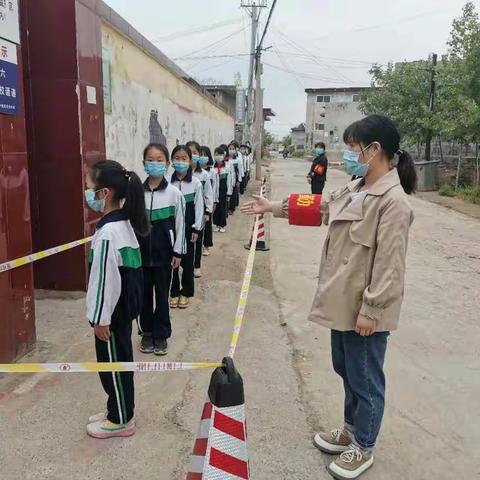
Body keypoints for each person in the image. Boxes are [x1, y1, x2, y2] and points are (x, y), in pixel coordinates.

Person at [241, 115, 416, 479]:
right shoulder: (357, 187)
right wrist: (272, 207)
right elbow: (319, 207)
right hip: (342, 302)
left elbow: (389, 265)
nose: (350, 154)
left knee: (366, 378)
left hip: (364, 309)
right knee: (347, 370)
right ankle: (351, 429)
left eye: (354, 148)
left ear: (374, 150)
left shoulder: (393, 202)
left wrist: (372, 308)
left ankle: (363, 446)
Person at [84, 160, 150, 439]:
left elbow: (104, 282)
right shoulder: (122, 223)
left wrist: (100, 318)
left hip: (111, 316)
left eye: (89, 187)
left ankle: (121, 419)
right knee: (119, 362)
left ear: (105, 193)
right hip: (122, 312)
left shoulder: (109, 233)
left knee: (112, 365)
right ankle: (117, 407)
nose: (86, 193)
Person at [137, 143, 186, 356]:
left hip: (165, 257)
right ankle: (147, 333)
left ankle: (162, 335)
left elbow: (180, 224)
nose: (154, 163)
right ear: (143, 163)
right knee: (143, 297)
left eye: (159, 160)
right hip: (140, 258)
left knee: (163, 297)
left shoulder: (174, 194)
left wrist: (178, 252)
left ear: (167, 164)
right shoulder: (136, 193)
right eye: (150, 159)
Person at [169, 145, 204, 309]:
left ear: (190, 161)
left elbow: (199, 207)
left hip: (189, 229)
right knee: (172, 261)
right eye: (177, 158)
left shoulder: (195, 183)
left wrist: (197, 228)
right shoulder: (168, 182)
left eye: (184, 159)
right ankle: (173, 292)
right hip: (172, 229)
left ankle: (186, 292)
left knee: (188, 262)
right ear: (171, 161)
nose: (180, 162)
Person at [187, 141, 214, 278]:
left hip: (199, 212)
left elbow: (209, 194)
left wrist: (208, 211)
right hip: (184, 213)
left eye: (195, 153)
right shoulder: (179, 175)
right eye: (189, 152)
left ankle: (196, 265)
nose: (192, 155)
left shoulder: (204, 175)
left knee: (197, 240)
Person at [201, 145, 218, 255]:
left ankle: (206, 246)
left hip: (207, 202)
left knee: (207, 225)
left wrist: (214, 202)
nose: (201, 157)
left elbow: (214, 188)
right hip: (195, 203)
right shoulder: (193, 172)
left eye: (204, 155)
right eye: (200, 155)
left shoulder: (212, 172)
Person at [213, 145, 232, 233]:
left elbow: (229, 180)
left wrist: (229, 193)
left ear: (223, 156)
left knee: (222, 207)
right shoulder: (213, 168)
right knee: (216, 207)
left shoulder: (227, 167)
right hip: (215, 190)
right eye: (216, 154)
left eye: (220, 154)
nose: (218, 156)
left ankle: (222, 225)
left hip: (223, 190)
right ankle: (216, 224)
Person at [228, 141, 243, 214]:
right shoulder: (226, 160)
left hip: (235, 178)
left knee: (234, 194)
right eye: (230, 148)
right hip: (228, 179)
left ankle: (232, 209)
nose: (231, 150)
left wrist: (239, 180)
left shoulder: (237, 159)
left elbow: (240, 170)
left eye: (232, 149)